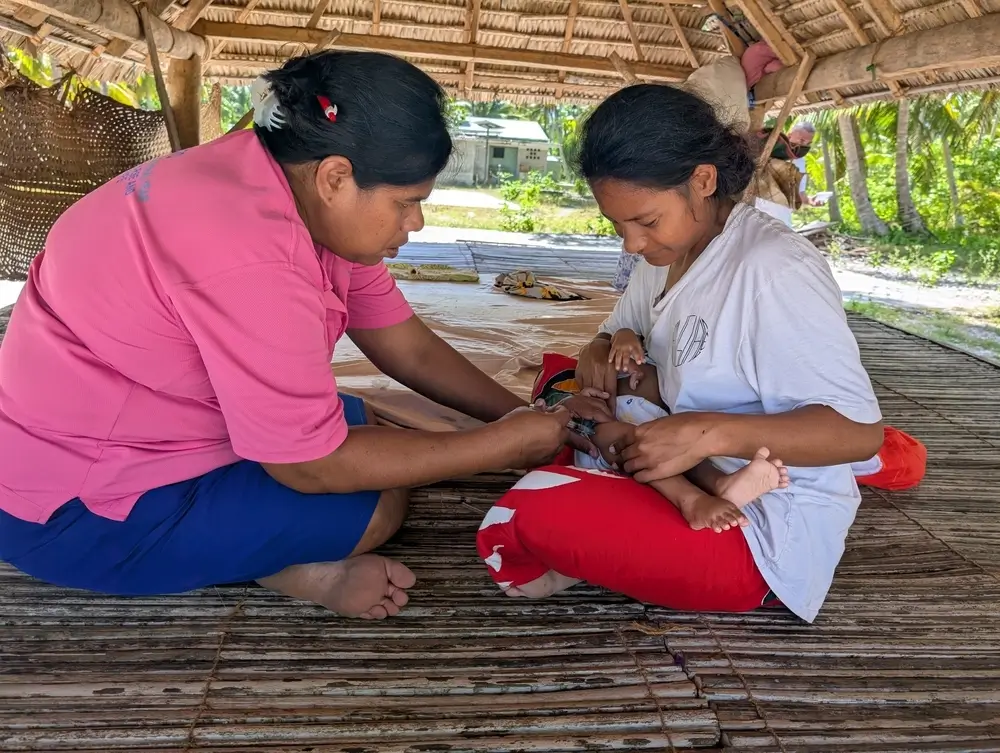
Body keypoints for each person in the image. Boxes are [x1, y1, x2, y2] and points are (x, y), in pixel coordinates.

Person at [0, 51, 611, 619]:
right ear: (336, 176)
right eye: (406, 202)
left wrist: (526, 415)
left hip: (143, 431)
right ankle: (285, 570)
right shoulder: (251, 258)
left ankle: (260, 544)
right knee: (378, 502)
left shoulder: (278, 183)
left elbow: (404, 342)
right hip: (75, 507)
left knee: (378, 430)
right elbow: (310, 467)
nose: (416, 223)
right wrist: (504, 447)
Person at [482, 76, 885, 623]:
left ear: (702, 180)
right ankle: (617, 505)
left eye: (645, 221)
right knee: (561, 383)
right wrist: (600, 350)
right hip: (676, 459)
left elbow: (858, 434)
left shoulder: (773, 270)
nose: (631, 243)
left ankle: (609, 518)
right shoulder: (672, 252)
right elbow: (611, 335)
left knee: (520, 516)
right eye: (617, 224)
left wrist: (707, 432)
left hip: (758, 531)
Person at [755, 121, 818, 226]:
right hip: (758, 213)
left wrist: (811, 201)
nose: (804, 146)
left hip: (782, 218)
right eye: (802, 140)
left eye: (808, 143)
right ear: (789, 135)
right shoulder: (767, 150)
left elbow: (800, 194)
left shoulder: (800, 162)